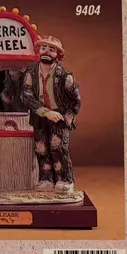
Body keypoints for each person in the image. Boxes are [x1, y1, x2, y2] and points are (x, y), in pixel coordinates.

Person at [18, 34, 82, 191]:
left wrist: (67, 118)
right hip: (40, 116)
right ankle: (46, 179)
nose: (46, 52)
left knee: (58, 148)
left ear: (58, 55)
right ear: (38, 50)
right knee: (41, 149)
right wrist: (45, 112)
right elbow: (26, 95)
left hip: (59, 117)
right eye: (43, 48)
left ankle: (65, 179)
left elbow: (76, 101)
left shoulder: (65, 77)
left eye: (51, 49)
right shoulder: (31, 73)